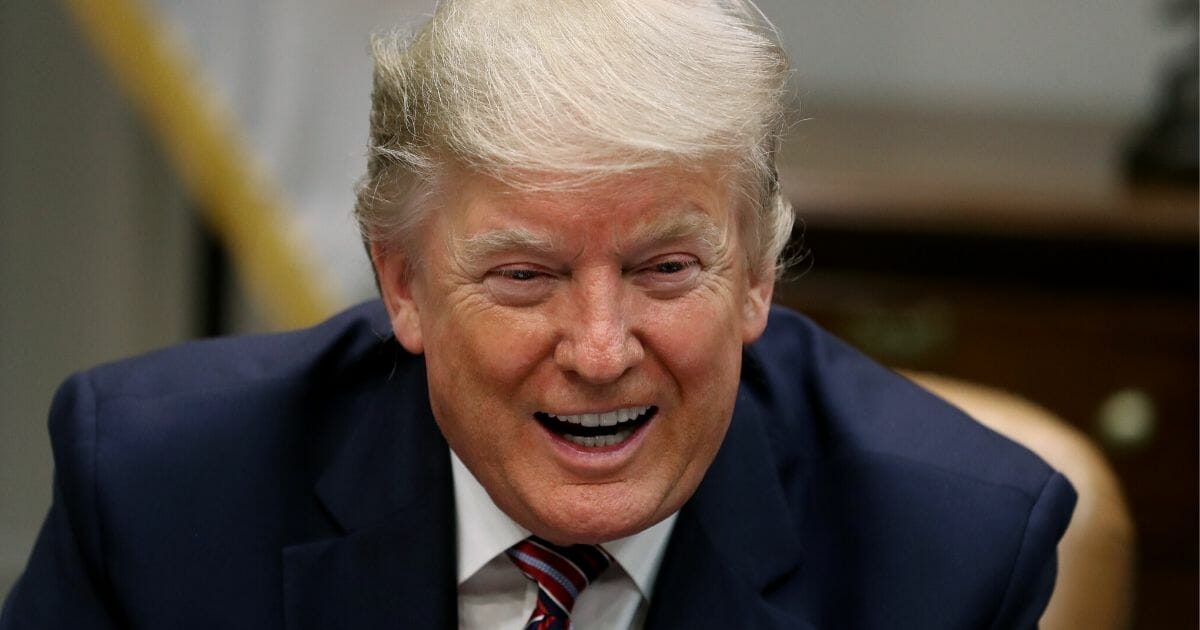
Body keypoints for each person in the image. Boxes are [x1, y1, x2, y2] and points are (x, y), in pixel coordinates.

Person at [1, 1, 1075, 628]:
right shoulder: (157, 491)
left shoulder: (946, 554)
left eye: (665, 268)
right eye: (524, 276)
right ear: (403, 284)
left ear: (754, 278)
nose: (602, 352)